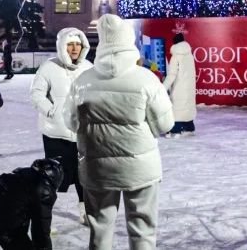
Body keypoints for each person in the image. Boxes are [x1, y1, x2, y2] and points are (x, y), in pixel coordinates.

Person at [63, 14, 174, 250]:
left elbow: (71, 122)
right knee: (142, 230)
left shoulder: (83, 81)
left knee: (100, 229)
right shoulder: (147, 80)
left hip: (96, 169)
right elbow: (164, 124)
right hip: (140, 169)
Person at [30, 28, 93, 226]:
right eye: (70, 44)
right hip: (55, 133)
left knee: (84, 175)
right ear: (62, 46)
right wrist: (52, 112)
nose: (74, 48)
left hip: (82, 132)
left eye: (78, 44)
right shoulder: (49, 67)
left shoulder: (89, 68)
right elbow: (36, 94)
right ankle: (43, 216)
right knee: (53, 177)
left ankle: (85, 211)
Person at [0, 158, 64, 250]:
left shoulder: (25, 172)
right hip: (1, 216)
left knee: (17, 239)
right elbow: (41, 226)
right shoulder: (46, 191)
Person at [163, 33, 197, 139]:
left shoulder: (175, 56)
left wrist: (163, 87)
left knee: (177, 108)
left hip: (179, 86)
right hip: (189, 86)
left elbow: (172, 74)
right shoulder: (189, 55)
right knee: (187, 107)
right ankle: (189, 128)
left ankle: (175, 130)